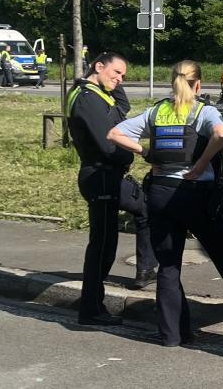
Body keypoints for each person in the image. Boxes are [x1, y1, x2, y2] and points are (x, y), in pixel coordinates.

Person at [108, 60, 223, 346]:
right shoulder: (204, 111)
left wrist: (147, 153)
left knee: (168, 266)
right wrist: (201, 165)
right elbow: (222, 135)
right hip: (195, 193)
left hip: (160, 193)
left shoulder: (157, 111)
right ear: (198, 84)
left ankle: (171, 334)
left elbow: (114, 133)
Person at [66, 52, 158, 326]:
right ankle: (91, 309)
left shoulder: (98, 93)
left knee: (144, 208)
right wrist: (131, 155)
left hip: (109, 176)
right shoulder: (86, 98)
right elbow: (107, 144)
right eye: (116, 73)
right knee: (103, 246)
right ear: (98, 66)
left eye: (123, 76)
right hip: (100, 176)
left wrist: (116, 82)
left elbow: (122, 107)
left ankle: (145, 269)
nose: (119, 79)